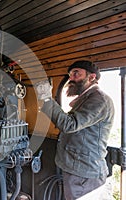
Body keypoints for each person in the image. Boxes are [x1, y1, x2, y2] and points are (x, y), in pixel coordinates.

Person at [36, 60, 115, 200]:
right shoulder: (85, 99)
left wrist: (47, 100)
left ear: (92, 77)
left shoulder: (99, 100)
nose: (71, 78)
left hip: (85, 173)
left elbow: (69, 125)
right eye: (70, 74)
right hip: (78, 169)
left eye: (76, 73)